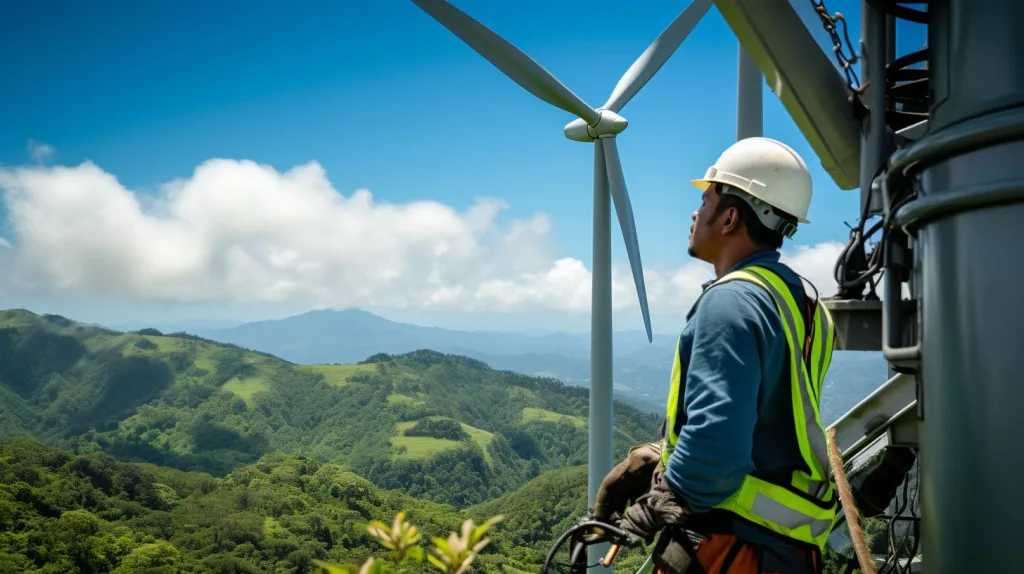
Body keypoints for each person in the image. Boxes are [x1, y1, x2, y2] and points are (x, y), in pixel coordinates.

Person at [592, 137, 839, 574]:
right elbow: (768, 425)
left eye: (705, 198)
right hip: (787, 551)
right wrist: (657, 453)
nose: (695, 211)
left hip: (733, 549)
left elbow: (717, 451)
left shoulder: (731, 302)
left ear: (728, 217)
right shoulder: (804, 305)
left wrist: (657, 505)